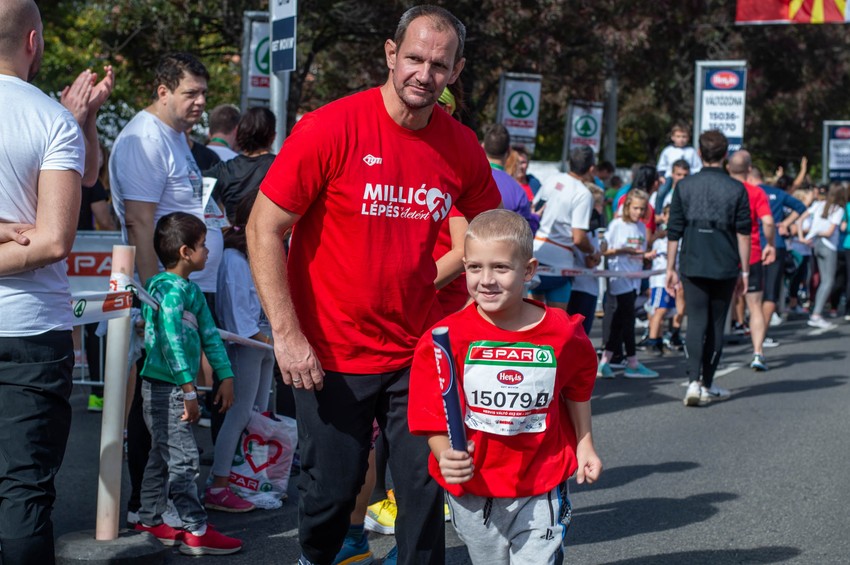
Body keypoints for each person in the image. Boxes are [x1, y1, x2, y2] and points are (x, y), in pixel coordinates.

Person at [246, 6, 502, 565]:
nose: (423, 74)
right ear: (391, 54)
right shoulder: (331, 127)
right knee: (331, 494)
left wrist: (500, 313)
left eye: (439, 64)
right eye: (413, 58)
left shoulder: (460, 147)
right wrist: (286, 336)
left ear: (456, 71)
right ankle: (315, 556)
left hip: (420, 351)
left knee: (425, 487)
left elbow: (490, 236)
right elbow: (263, 227)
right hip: (330, 352)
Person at [408, 210, 602, 564]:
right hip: (473, 488)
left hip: (541, 481)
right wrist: (443, 455)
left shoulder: (562, 332)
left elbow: (578, 385)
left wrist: (585, 443)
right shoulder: (443, 339)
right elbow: (430, 413)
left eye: (500, 268)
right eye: (474, 268)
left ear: (528, 270)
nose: (486, 280)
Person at [109, 52, 215, 525]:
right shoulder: (142, 139)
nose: (200, 102)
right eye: (191, 92)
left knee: (173, 403)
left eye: (204, 94)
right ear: (163, 91)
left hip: (182, 291)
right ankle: (147, 506)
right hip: (160, 295)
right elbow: (139, 220)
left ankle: (161, 505)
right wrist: (157, 299)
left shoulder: (174, 136)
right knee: (153, 398)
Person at [0, 2, 83, 561]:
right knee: (24, 493)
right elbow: (53, 241)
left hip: (34, 334)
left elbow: (50, 239)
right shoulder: (53, 119)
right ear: (34, 42)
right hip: (31, 332)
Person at [135, 212, 240, 555]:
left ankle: (151, 519)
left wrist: (225, 374)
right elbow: (169, 339)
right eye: (202, 246)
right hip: (166, 388)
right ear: (184, 252)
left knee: (162, 458)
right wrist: (189, 389)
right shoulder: (167, 290)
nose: (208, 251)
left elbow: (210, 335)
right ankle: (194, 528)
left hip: (173, 388)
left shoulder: (189, 289)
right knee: (184, 460)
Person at [666, 130, 751, 407]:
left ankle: (692, 382)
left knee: (696, 320)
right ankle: (708, 382)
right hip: (725, 262)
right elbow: (744, 233)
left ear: (699, 153)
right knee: (716, 324)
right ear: (725, 155)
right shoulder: (737, 188)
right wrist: (746, 271)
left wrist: (670, 267)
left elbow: (673, 230)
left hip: (692, 259)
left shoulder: (685, 186)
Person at [204, 191, 274, 513]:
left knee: (257, 416)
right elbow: (238, 319)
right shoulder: (233, 259)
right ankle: (219, 485)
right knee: (240, 415)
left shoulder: (257, 253)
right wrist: (274, 340)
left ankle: (245, 479)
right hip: (246, 346)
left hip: (262, 345)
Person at [597, 189, 659, 379]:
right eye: (635, 208)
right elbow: (604, 251)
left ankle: (605, 362)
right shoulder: (617, 225)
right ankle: (632, 362)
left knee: (619, 321)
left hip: (635, 279)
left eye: (642, 209)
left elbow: (641, 252)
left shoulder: (641, 227)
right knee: (628, 319)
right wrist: (624, 250)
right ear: (627, 207)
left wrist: (645, 257)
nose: (638, 212)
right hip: (619, 277)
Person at [530, 146, 600, 311]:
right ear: (591, 168)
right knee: (557, 324)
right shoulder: (583, 194)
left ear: (570, 163)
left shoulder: (552, 179)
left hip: (536, 253)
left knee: (531, 320)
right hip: (559, 263)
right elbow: (579, 238)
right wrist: (592, 252)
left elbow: (534, 210)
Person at [728, 150, 776, 372]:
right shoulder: (756, 192)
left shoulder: (723, 189)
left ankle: (708, 357)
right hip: (753, 253)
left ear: (729, 168)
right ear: (749, 170)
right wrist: (771, 244)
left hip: (724, 252)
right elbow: (768, 221)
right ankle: (758, 352)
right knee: (754, 306)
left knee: (719, 305)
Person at [750, 166, 806, 332]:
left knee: (753, 290)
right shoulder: (777, 193)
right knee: (770, 291)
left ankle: (751, 327)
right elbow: (801, 207)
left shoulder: (749, 192)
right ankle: (762, 333)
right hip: (776, 244)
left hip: (754, 245)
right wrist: (786, 223)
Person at [204, 107, 277, 222]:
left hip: (231, 236)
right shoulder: (279, 167)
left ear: (238, 132)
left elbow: (199, 193)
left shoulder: (224, 169)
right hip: (265, 236)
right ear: (273, 136)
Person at [800, 182, 847, 329]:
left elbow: (801, 218)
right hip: (828, 246)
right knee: (828, 281)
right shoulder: (838, 209)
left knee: (823, 280)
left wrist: (805, 236)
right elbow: (829, 232)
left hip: (816, 245)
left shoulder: (819, 204)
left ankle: (816, 311)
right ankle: (816, 314)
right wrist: (814, 234)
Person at [481, 124, 537, 232]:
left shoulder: (467, 179)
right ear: (509, 150)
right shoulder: (518, 191)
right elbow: (523, 237)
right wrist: (535, 219)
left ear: (483, 147)